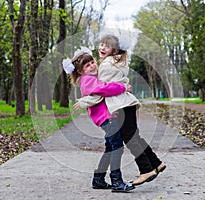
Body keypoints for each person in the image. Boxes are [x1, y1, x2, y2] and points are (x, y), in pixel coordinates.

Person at [75, 34, 166, 186]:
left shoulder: (106, 65)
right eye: (101, 44)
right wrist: (123, 86)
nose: (102, 48)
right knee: (133, 137)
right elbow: (105, 87)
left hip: (121, 105)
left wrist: (85, 101)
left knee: (130, 138)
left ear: (115, 50)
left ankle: (146, 170)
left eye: (107, 46)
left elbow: (103, 90)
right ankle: (156, 163)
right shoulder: (118, 62)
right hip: (125, 104)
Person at [62, 47, 135, 192]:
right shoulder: (87, 80)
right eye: (87, 65)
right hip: (107, 118)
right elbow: (104, 88)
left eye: (92, 62)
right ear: (81, 71)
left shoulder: (92, 78)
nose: (92, 66)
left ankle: (98, 179)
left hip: (108, 117)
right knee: (117, 147)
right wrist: (122, 87)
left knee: (110, 148)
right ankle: (117, 181)